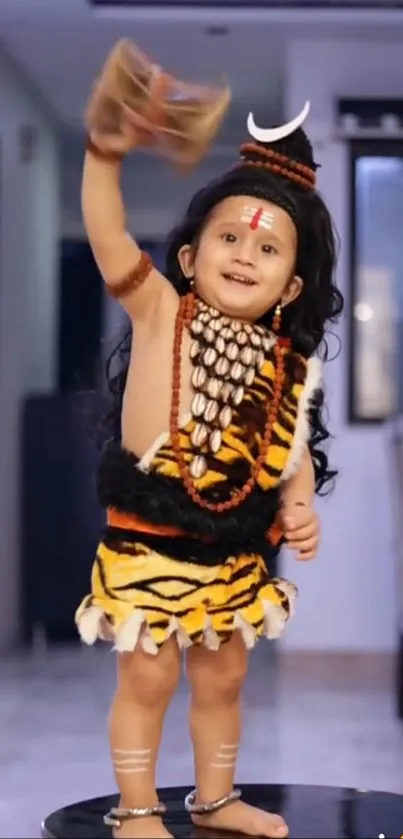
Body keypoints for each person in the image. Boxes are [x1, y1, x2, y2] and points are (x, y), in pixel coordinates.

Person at [75, 42, 343, 839]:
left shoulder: (286, 364)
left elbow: (287, 447)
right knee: (149, 675)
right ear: (189, 258)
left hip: (232, 551)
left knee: (224, 676)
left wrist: (297, 508)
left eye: (267, 248)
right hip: (151, 541)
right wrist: (104, 151)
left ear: (291, 285)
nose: (245, 255)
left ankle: (216, 799)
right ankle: (133, 810)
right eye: (230, 240)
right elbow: (105, 228)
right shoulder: (161, 309)